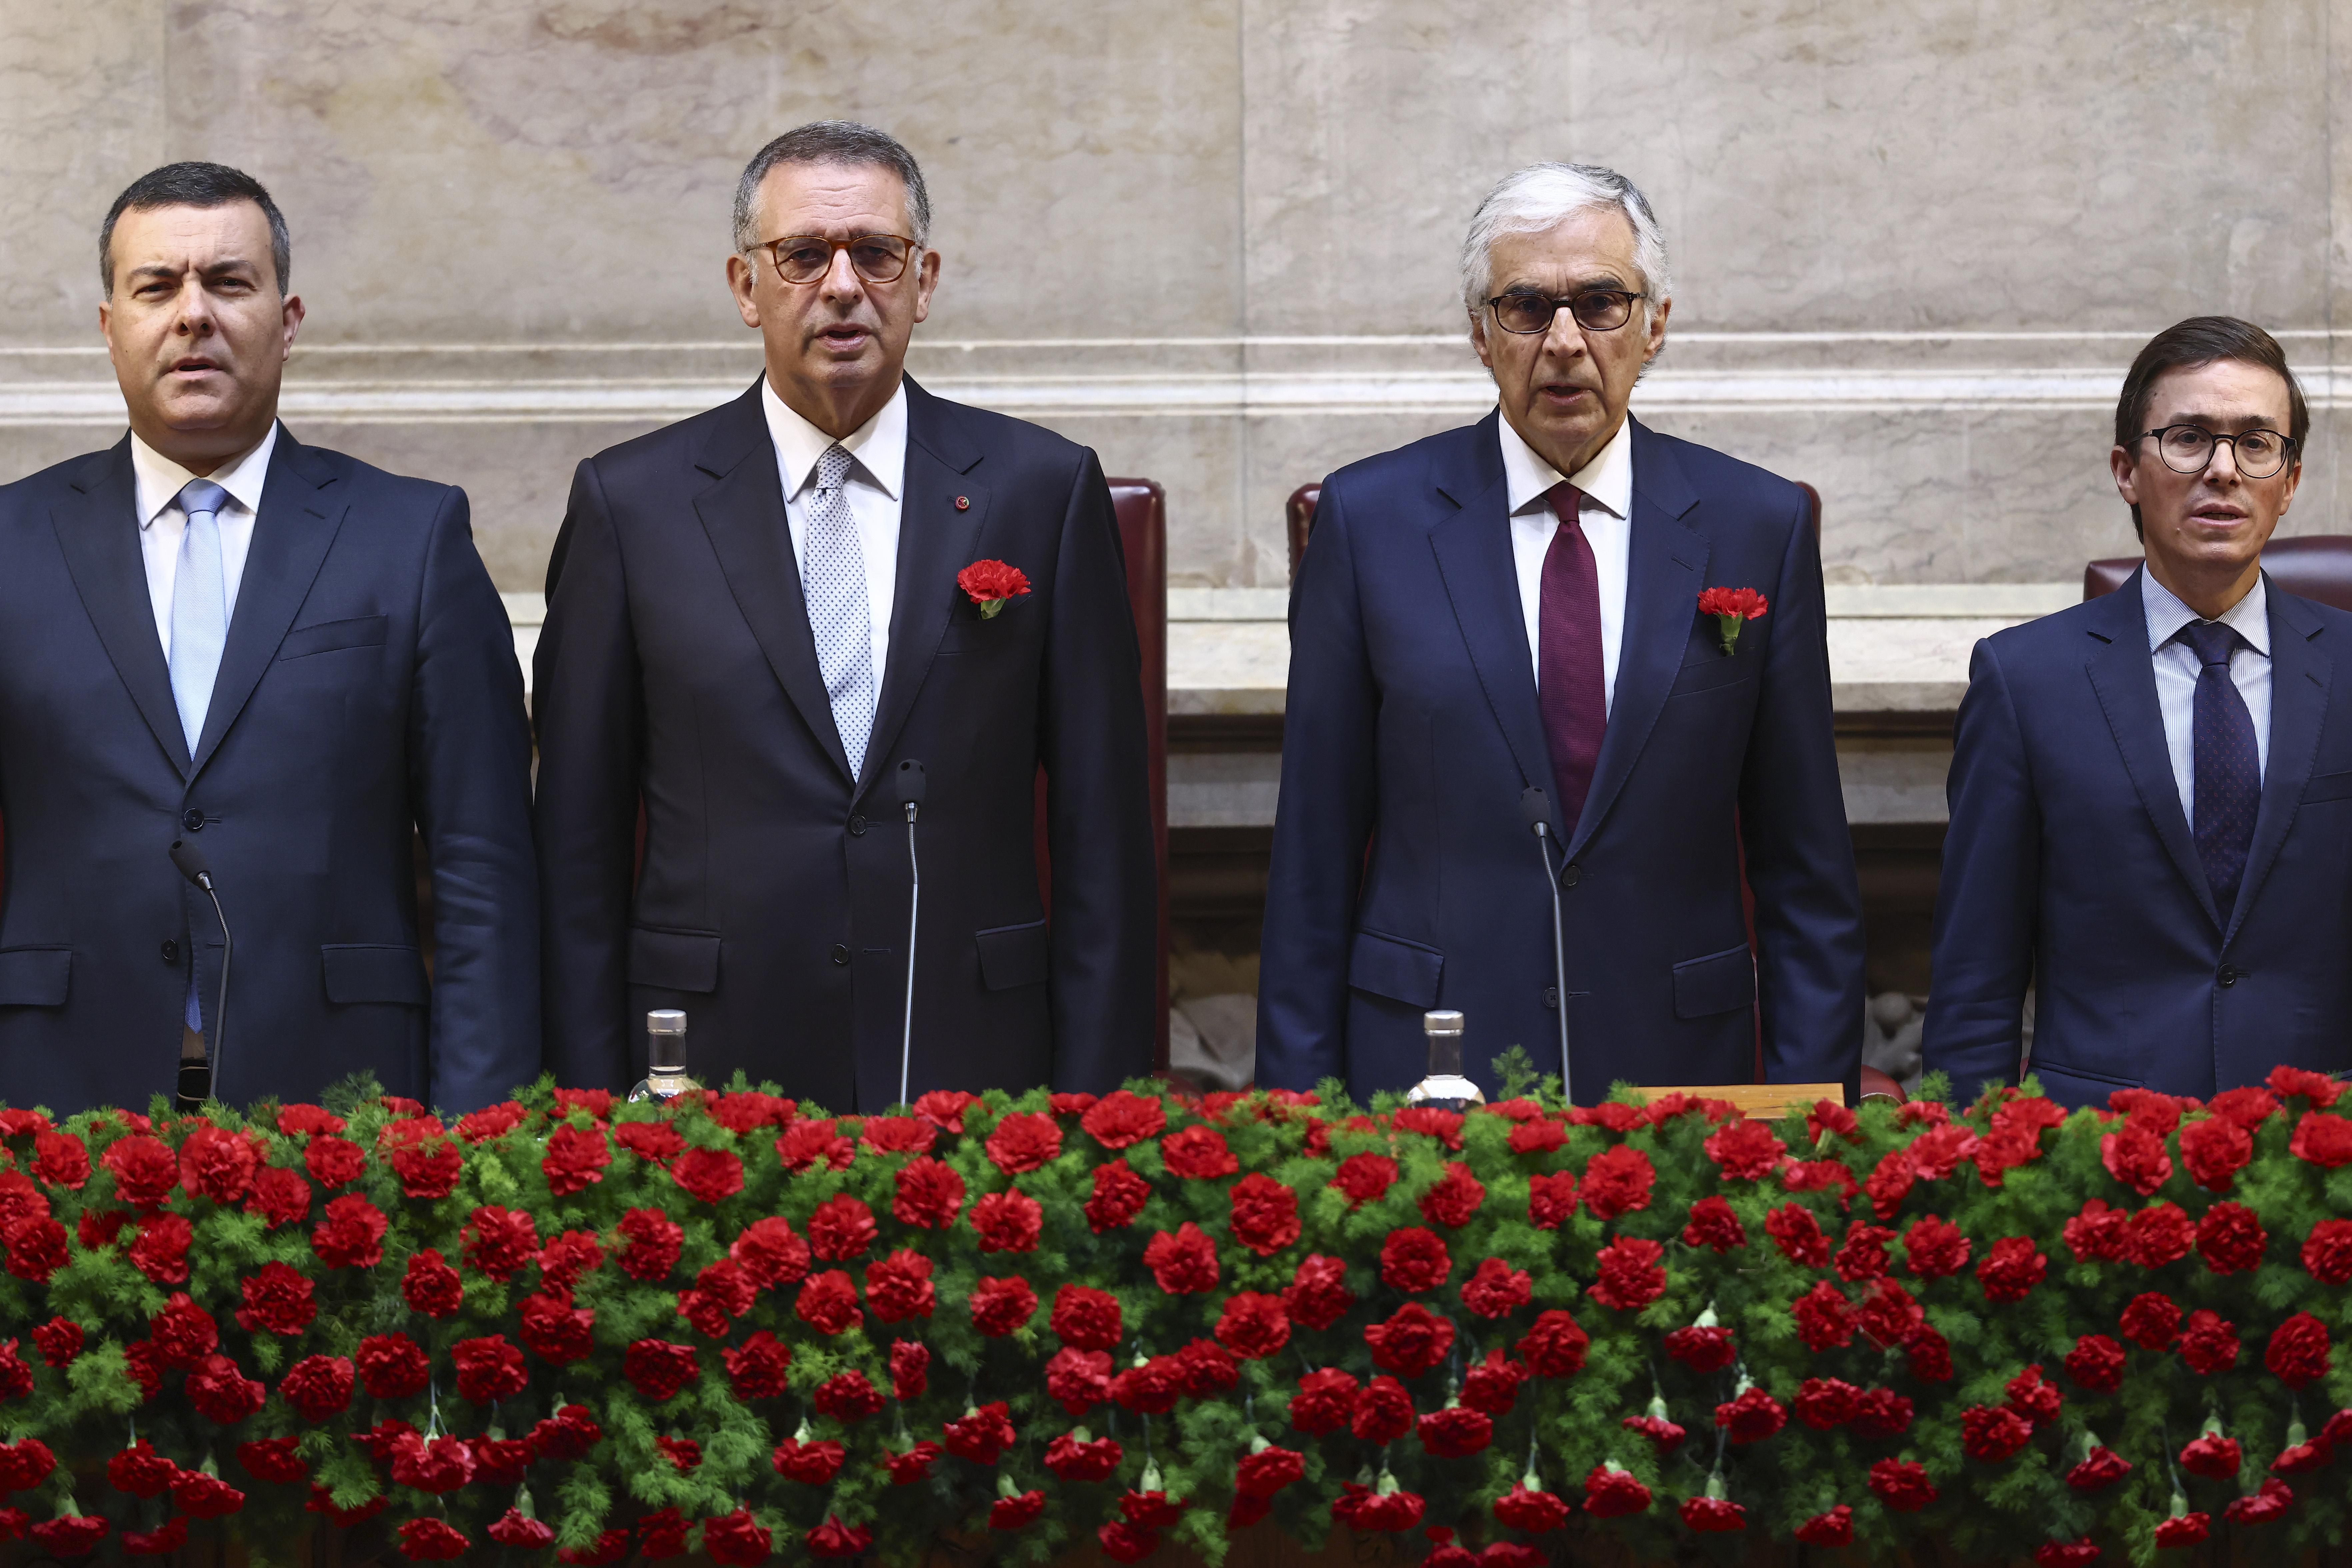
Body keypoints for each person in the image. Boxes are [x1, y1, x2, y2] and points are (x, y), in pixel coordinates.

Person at [533, 122, 1155, 1106]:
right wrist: (583, 1107)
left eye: (876, 253)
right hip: (705, 1065)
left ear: (925, 278)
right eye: (803, 255)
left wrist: (1098, 1109)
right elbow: (576, 845)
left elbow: (1106, 843)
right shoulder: (631, 506)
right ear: (746, 285)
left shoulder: (1041, 491)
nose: (841, 285)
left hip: (976, 1056)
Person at [1257, 162, 1865, 1104]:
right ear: (1479, 333)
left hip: (1680, 1079)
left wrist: (1809, 1124)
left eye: (1601, 303)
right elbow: (1312, 863)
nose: (1566, 342)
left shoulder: (1756, 526)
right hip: (1429, 1073)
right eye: (1527, 307)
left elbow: (1806, 875)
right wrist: (1299, 1124)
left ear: (1655, 323)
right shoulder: (1368, 522)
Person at [0, 163, 538, 1114]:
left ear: (288, 319)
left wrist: (476, 1136)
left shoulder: (410, 539)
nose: (193, 315)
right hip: (57, 1107)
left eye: (229, 282)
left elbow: (481, 869)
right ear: (110, 323)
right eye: (157, 287)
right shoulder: (13, 542)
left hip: (345, 1104)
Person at [1925, 317, 2352, 1106]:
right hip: (2100, 1158)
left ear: (2289, 482)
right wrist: (1962, 1177)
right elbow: (1977, 978)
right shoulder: (2026, 682)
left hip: (2320, 1151)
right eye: (2189, 438)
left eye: (2257, 443)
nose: (2223, 471)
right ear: (2127, 470)